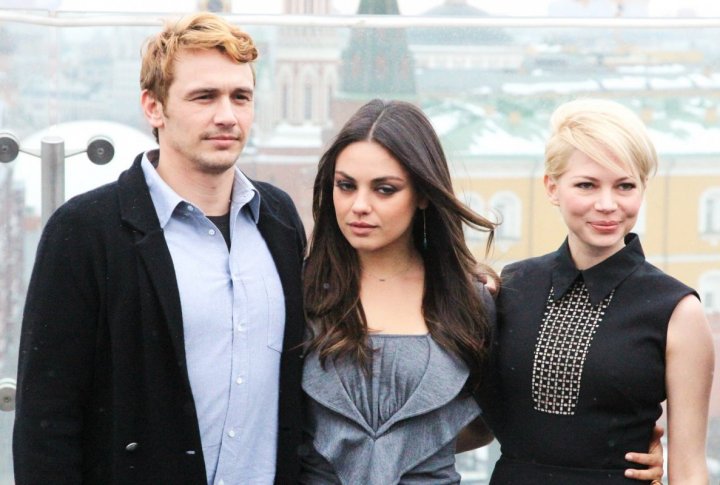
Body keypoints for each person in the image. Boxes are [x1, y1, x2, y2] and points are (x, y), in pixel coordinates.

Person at [13, 12, 306, 485]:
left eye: (241, 97)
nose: (227, 115)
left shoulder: (278, 218)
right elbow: (46, 420)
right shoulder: (86, 231)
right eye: (204, 97)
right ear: (154, 107)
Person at [481, 98, 715, 483]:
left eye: (625, 185)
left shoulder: (676, 310)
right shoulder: (513, 287)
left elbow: (689, 468)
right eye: (586, 185)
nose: (607, 205)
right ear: (552, 188)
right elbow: (474, 424)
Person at [300, 99, 498, 484]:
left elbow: (491, 422)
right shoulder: (298, 292)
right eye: (346, 186)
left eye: (384, 190)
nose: (359, 206)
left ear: (423, 194)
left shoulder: (470, 301)